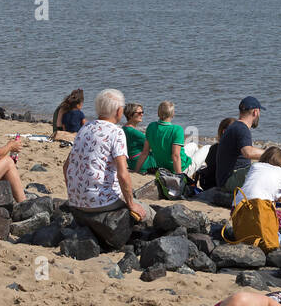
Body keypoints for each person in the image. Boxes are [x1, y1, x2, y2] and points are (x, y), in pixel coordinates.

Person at [63, 88, 148, 218]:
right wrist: (131, 204)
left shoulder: (85, 128)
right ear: (119, 111)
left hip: (75, 200)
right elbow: (123, 174)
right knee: (146, 211)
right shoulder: (116, 132)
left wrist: (73, 192)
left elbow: (66, 166)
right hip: (100, 202)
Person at [214, 97, 263, 188]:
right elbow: (248, 152)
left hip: (226, 179)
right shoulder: (242, 128)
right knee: (268, 168)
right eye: (259, 112)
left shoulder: (235, 126)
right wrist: (272, 153)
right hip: (230, 180)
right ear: (255, 112)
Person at [143, 100, 192, 176]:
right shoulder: (177, 129)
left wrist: (136, 171)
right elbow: (175, 156)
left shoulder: (151, 126)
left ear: (158, 113)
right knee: (206, 148)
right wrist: (180, 177)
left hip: (162, 167)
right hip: (179, 169)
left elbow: (145, 152)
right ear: (172, 114)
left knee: (193, 146)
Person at [121, 102, 153, 173]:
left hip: (131, 162)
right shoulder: (134, 133)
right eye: (139, 113)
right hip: (142, 164)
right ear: (130, 115)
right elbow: (153, 145)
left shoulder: (124, 128)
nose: (142, 114)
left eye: (142, 112)